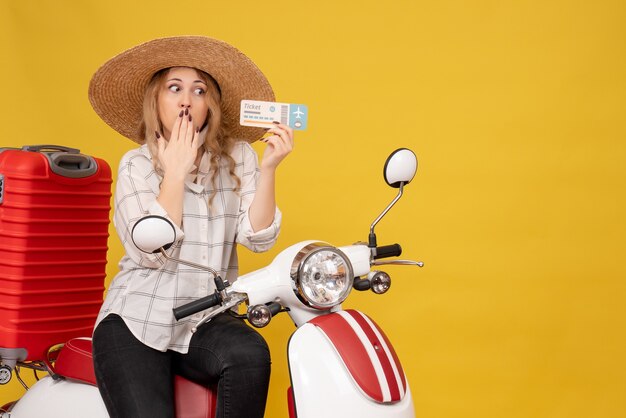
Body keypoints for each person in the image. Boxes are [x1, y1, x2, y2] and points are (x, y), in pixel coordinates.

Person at [87, 36, 293, 418]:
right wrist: (176, 172)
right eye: (175, 88)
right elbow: (150, 251)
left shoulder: (239, 157)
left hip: (205, 318)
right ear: (157, 101)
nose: (186, 100)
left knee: (249, 353)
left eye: (199, 91)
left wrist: (269, 170)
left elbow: (258, 238)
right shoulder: (136, 164)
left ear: (209, 106)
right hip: (137, 320)